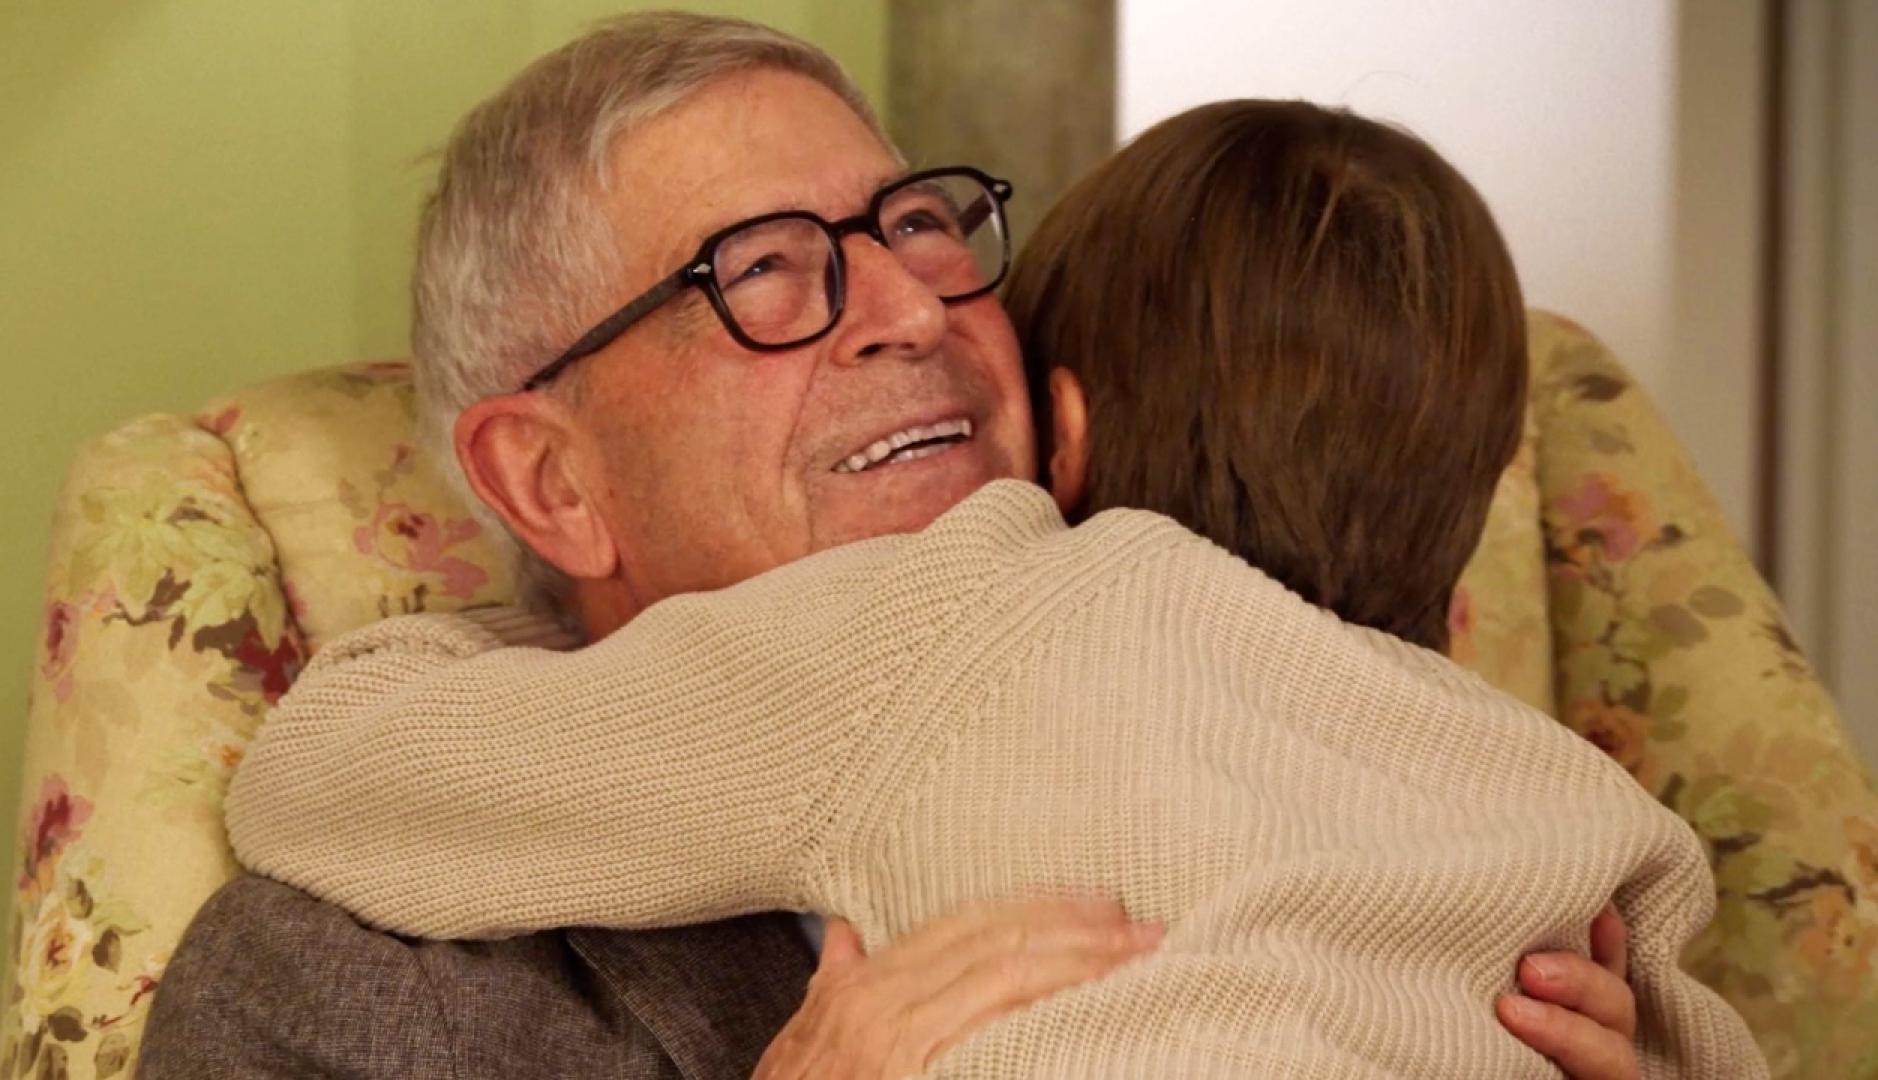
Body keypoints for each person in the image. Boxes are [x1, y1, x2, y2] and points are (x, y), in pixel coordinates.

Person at [141, 13, 1662, 1079]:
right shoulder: (345, 984)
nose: (912, 309)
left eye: (918, 224)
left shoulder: (1303, 697)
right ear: (551, 481)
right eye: (767, 273)